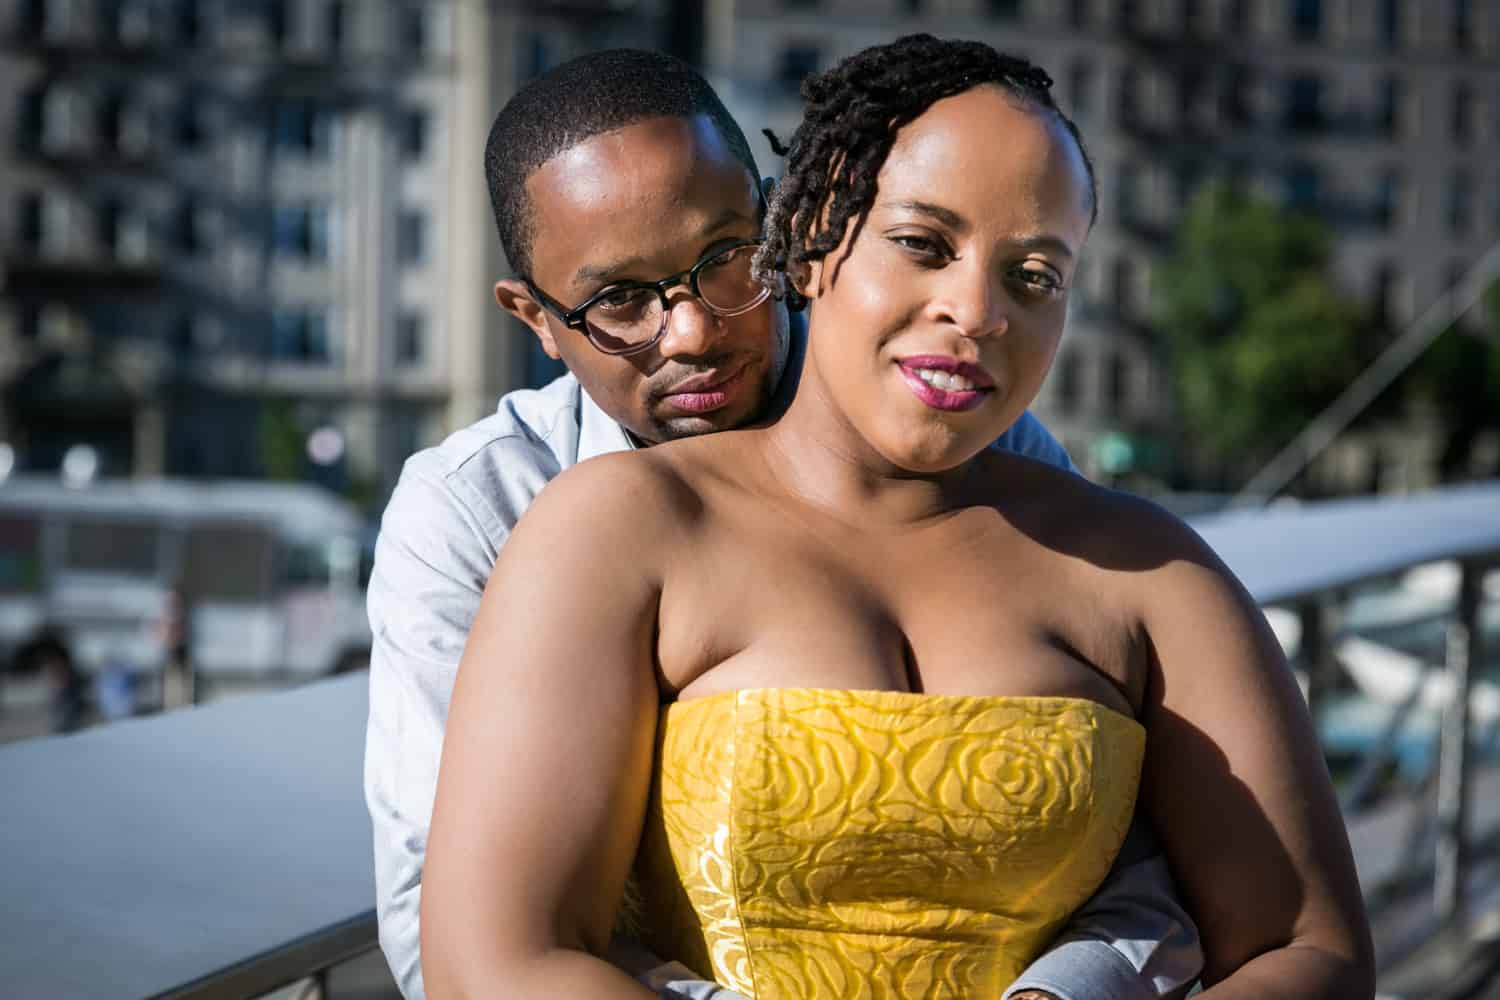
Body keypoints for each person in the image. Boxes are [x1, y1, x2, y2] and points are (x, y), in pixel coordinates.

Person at [419, 35, 1374, 1000]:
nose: (977, 310)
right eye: (923, 245)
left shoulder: (1154, 570)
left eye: (1035, 275)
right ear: (806, 235)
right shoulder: (604, 527)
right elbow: (489, 962)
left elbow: (1311, 950)